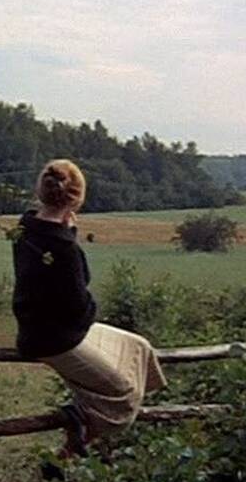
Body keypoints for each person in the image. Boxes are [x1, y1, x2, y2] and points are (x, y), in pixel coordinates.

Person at [11, 159, 167, 458]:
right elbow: (78, 306)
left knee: (139, 348)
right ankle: (75, 439)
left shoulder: (24, 229)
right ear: (76, 200)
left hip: (43, 329)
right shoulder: (65, 248)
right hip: (56, 340)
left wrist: (67, 233)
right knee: (125, 393)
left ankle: (91, 411)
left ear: (41, 191)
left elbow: (51, 274)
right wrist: (70, 239)